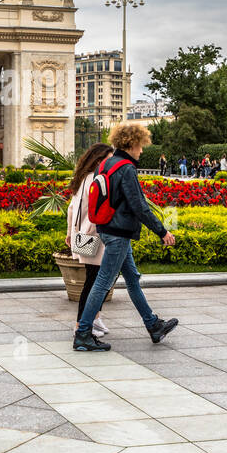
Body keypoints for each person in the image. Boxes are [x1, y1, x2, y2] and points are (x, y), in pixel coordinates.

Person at [74, 122, 179, 352]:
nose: (141, 151)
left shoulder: (106, 164)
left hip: (107, 229)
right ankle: (82, 333)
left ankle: (153, 325)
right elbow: (139, 206)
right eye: (140, 146)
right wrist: (162, 231)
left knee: (132, 279)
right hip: (118, 233)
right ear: (131, 144)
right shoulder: (126, 168)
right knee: (102, 283)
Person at [66, 143, 114, 339]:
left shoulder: (82, 179)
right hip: (93, 236)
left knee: (95, 280)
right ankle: (81, 323)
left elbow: (71, 209)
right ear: (98, 160)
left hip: (82, 235)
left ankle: (94, 317)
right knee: (94, 282)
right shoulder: (96, 180)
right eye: (108, 159)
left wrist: (70, 233)